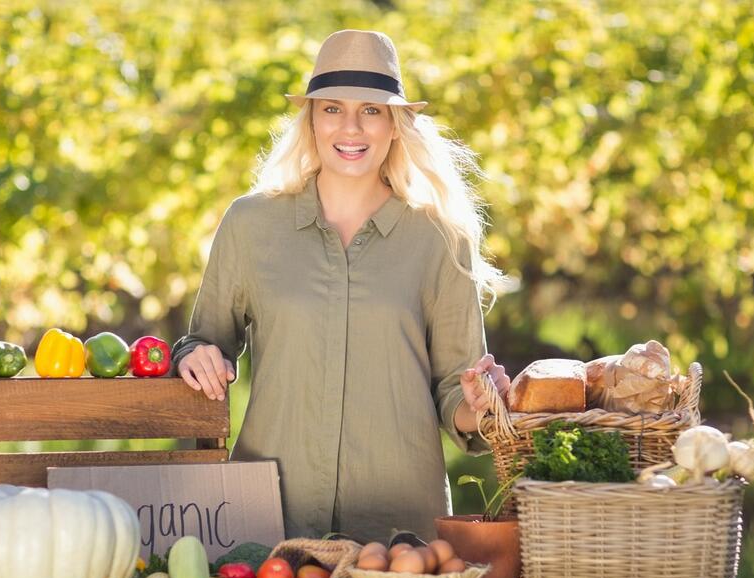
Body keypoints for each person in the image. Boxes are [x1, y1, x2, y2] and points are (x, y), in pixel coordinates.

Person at [173, 29, 509, 543]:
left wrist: (480, 406)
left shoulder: (440, 239)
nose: (351, 127)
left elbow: (453, 393)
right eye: (332, 108)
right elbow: (205, 340)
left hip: (399, 532)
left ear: (395, 126)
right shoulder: (250, 225)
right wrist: (194, 355)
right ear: (311, 120)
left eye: (371, 110)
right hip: (269, 520)